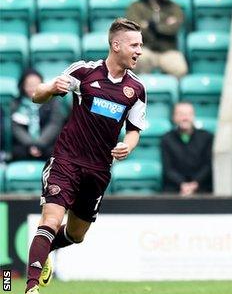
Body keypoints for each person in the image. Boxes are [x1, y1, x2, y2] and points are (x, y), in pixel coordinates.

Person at [24, 18, 146, 294]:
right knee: (51, 221)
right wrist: (50, 88)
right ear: (116, 45)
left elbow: (135, 130)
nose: (139, 50)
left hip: (99, 170)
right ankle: (30, 288)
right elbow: (37, 95)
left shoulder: (136, 89)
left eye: (141, 45)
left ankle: (41, 254)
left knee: (76, 235)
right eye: (134, 45)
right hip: (66, 161)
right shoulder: (84, 72)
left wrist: (128, 144)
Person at [126, 0, 187, 78]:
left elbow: (174, 28)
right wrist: (164, 25)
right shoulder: (136, 7)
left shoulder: (174, 7)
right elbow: (135, 31)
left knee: (180, 69)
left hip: (168, 51)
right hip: (145, 49)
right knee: (134, 62)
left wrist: (153, 27)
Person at [11, 69, 64, 161]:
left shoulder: (52, 101)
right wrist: (31, 145)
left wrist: (40, 144)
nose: (33, 88)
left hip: (47, 145)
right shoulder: (16, 103)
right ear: (23, 86)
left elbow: (54, 124)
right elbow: (16, 128)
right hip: (24, 146)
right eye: (29, 85)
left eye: (36, 85)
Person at [161, 102, 214, 195]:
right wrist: (182, 184)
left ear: (193, 116)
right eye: (181, 114)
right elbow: (168, 169)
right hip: (174, 189)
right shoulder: (166, 139)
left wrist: (194, 184)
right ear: (174, 117)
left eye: (188, 114)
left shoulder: (207, 137)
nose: (185, 118)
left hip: (202, 189)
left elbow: (208, 165)